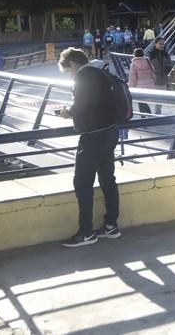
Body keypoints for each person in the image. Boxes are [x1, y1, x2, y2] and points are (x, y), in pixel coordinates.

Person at [57, 48, 122, 247]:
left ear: (73, 65)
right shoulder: (100, 71)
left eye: (68, 71)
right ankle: (111, 225)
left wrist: (66, 112)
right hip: (110, 131)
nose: (70, 74)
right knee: (107, 179)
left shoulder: (83, 77)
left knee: (82, 183)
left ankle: (86, 233)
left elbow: (80, 107)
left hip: (93, 136)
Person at [148, 37, 172, 114]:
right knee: (155, 97)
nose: (162, 45)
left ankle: (158, 112)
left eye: (163, 44)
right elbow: (148, 66)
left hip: (163, 80)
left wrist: (168, 67)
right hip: (154, 79)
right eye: (160, 44)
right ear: (156, 44)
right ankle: (156, 112)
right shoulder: (151, 54)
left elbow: (170, 63)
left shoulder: (166, 54)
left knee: (161, 98)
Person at [129, 48, 156, 116]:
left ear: (134, 55)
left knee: (141, 102)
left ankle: (144, 117)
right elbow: (153, 73)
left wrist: (131, 88)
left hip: (139, 86)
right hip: (149, 85)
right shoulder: (148, 61)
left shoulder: (133, 64)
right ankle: (147, 115)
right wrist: (153, 81)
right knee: (144, 102)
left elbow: (132, 78)